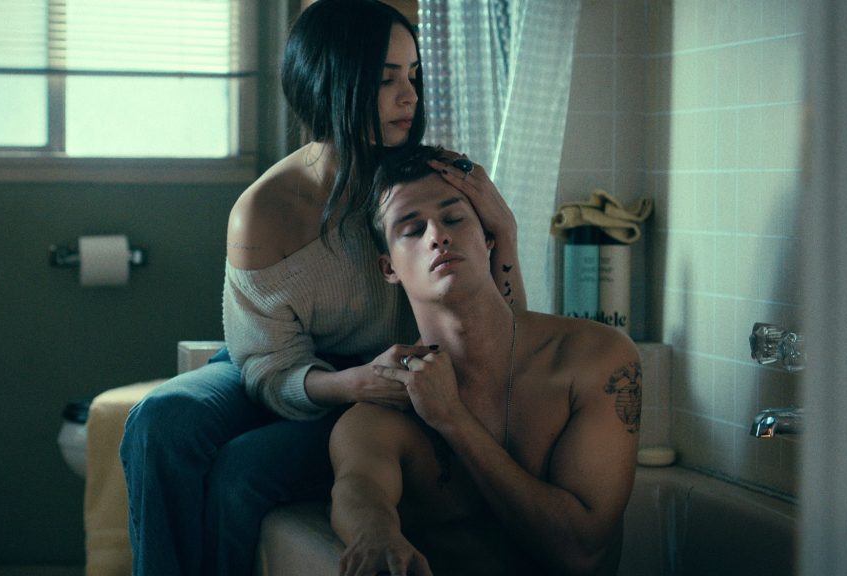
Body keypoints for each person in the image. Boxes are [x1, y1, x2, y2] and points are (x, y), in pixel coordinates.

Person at [119, 1, 526, 574]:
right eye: (385, 79)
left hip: (392, 382)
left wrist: (504, 230)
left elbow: (508, 336)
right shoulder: (266, 209)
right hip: (282, 365)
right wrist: (346, 382)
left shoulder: (432, 185)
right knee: (161, 419)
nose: (409, 97)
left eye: (413, 76)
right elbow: (265, 365)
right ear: (330, 84)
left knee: (242, 470)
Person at [330, 146, 641, 576]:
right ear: (389, 268)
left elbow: (582, 554)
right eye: (412, 229)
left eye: (454, 218)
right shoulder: (379, 417)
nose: (437, 235)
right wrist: (375, 533)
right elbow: (357, 491)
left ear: (489, 238)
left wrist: (452, 418)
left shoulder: (595, 360)